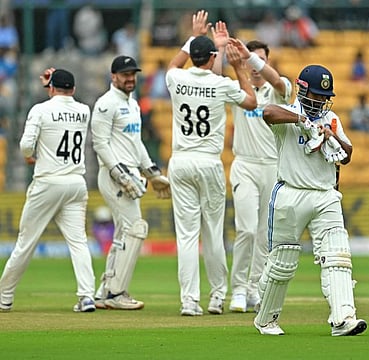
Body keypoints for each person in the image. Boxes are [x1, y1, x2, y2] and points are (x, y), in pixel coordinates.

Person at [254, 64, 367, 336]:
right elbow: (267, 112)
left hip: (326, 195)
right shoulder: (289, 114)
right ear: (302, 90)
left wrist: (330, 136)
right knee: (283, 261)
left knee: (338, 257)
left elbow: (348, 154)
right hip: (291, 194)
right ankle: (266, 319)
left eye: (323, 97)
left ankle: (343, 318)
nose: (319, 101)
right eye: (315, 95)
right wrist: (301, 121)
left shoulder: (332, 119)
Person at [166, 10, 257, 316]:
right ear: (212, 58)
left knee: (187, 235)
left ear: (193, 54)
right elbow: (251, 101)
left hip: (180, 161)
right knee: (213, 232)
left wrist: (195, 36)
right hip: (208, 162)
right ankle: (217, 296)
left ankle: (189, 301)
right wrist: (240, 67)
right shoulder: (221, 84)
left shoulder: (177, 78)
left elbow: (174, 64)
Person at [0, 68, 96, 313]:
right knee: (78, 242)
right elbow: (63, 102)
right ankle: (86, 296)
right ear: (73, 89)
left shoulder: (40, 110)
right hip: (75, 183)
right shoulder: (84, 111)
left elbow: (24, 146)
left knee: (26, 242)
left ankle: (4, 297)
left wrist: (32, 156)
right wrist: (52, 85)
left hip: (48, 183)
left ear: (51, 88)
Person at [91, 55, 170, 310]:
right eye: (125, 74)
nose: (130, 79)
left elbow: (137, 145)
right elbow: (100, 144)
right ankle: (116, 294)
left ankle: (106, 291)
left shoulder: (133, 104)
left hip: (131, 175)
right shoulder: (106, 104)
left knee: (125, 232)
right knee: (136, 228)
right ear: (113, 76)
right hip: (114, 177)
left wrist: (152, 173)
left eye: (132, 74)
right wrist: (119, 174)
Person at [227, 38, 292, 313]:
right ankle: (239, 289)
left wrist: (248, 57)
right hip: (244, 164)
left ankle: (255, 289)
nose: (254, 67)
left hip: (272, 168)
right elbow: (216, 72)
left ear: (266, 60)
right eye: (250, 60)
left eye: (259, 60)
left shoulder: (280, 90)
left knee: (265, 235)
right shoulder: (237, 90)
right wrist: (227, 53)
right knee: (246, 228)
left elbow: (276, 81)